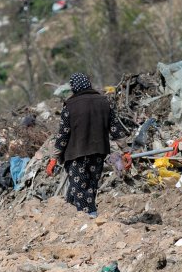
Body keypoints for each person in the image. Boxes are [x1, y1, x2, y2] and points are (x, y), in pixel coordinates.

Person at [46, 73, 124, 218]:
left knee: (80, 190)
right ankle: (73, 219)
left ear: (73, 87)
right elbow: (116, 130)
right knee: (90, 187)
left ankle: (89, 221)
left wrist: (53, 158)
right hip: (98, 152)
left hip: (76, 154)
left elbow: (63, 135)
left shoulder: (70, 106)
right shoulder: (105, 102)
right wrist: (126, 151)